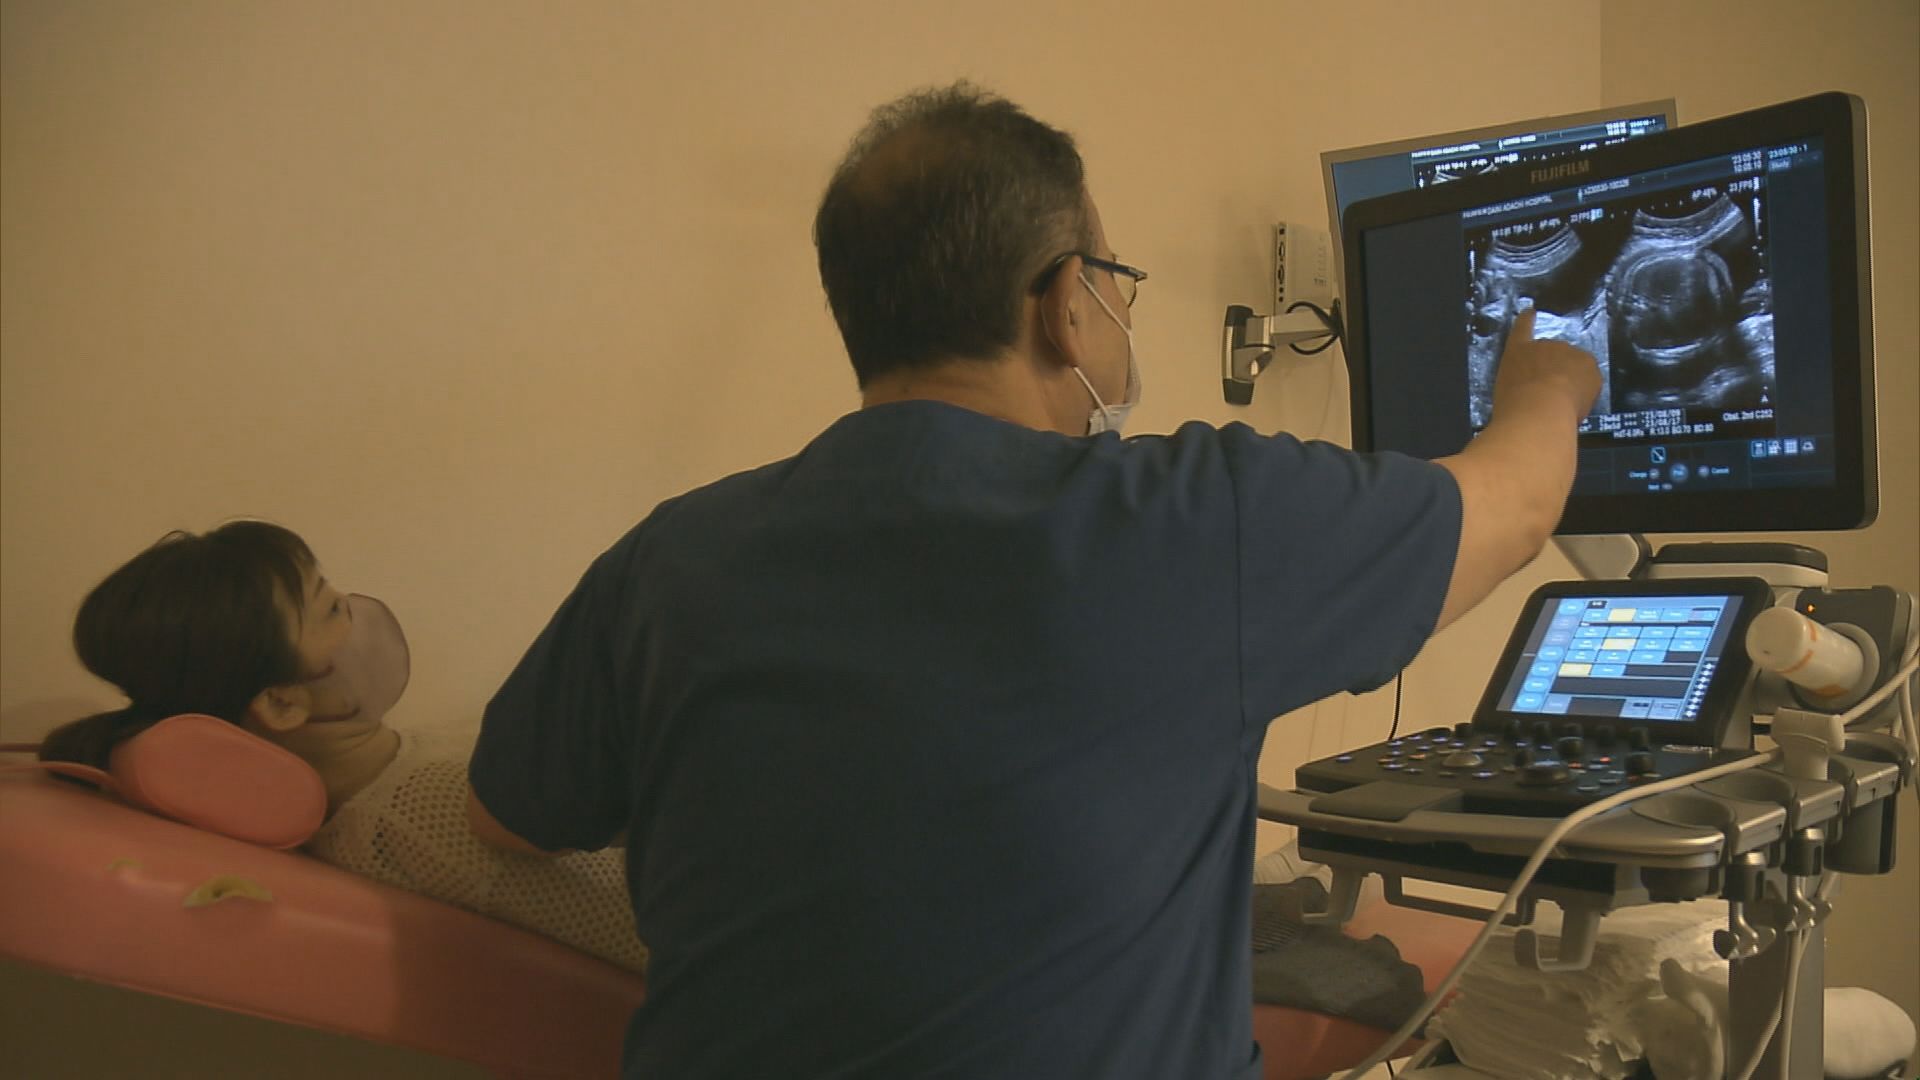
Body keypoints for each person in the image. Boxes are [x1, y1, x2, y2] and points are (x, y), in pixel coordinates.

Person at [466, 82, 1599, 1079]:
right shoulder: (1195, 519)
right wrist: (1552, 373)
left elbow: (502, 816)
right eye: (1115, 282)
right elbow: (1517, 505)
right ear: (1065, 303)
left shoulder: (669, 559)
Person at [37, 520, 646, 973]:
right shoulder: (420, 813)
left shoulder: (404, 771)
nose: (359, 617)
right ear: (282, 703)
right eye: (332, 609)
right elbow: (647, 913)